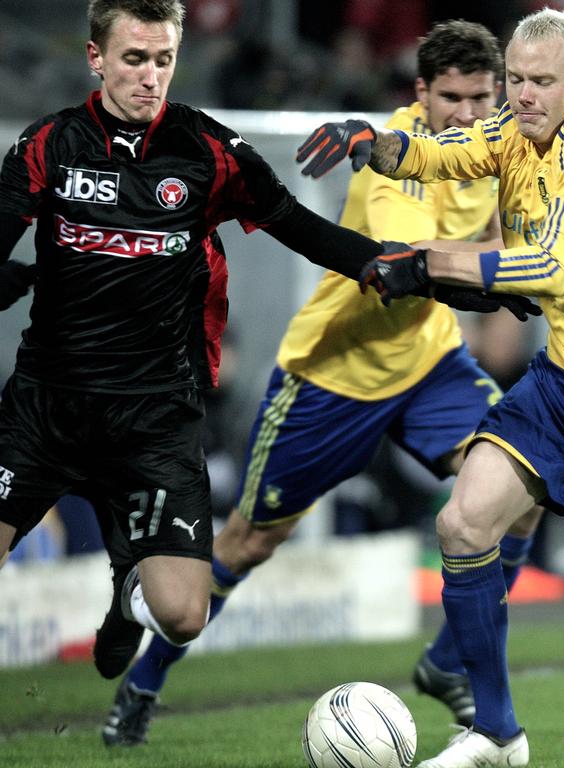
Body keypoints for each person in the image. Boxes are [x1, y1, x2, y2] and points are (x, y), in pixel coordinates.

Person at [0, 0, 518, 692]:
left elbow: (304, 229)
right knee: (227, 549)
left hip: (155, 413)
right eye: (133, 59)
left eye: (163, 59)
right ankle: (132, 583)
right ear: (96, 59)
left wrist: (431, 279)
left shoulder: (209, 151)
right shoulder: (46, 146)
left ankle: (134, 595)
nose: (150, 77)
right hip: (47, 406)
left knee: (184, 615)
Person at [298, 8, 564, 767]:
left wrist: (429, 263)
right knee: (463, 526)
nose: (523, 96)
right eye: (517, 81)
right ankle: (497, 732)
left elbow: (549, 267)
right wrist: (374, 143)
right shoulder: (514, 129)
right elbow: (437, 152)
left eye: (540, 82)